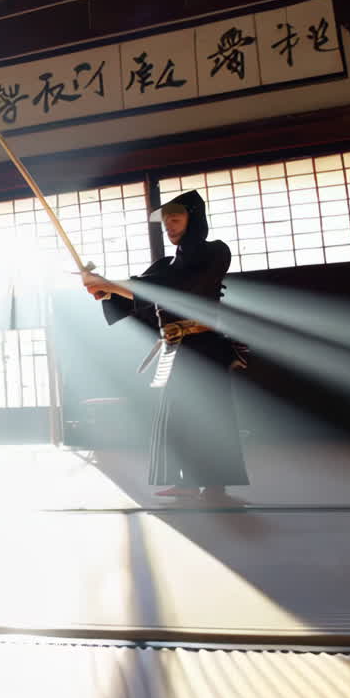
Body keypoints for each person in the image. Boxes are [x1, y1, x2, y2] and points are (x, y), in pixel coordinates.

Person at [81, 190, 248, 500]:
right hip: (175, 349)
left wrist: (110, 284)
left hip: (205, 345)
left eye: (175, 219)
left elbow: (176, 289)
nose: (169, 227)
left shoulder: (215, 253)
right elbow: (133, 295)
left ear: (194, 219)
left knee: (210, 416)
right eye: (165, 222)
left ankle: (215, 483)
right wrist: (102, 288)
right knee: (175, 416)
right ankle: (185, 482)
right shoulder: (164, 266)